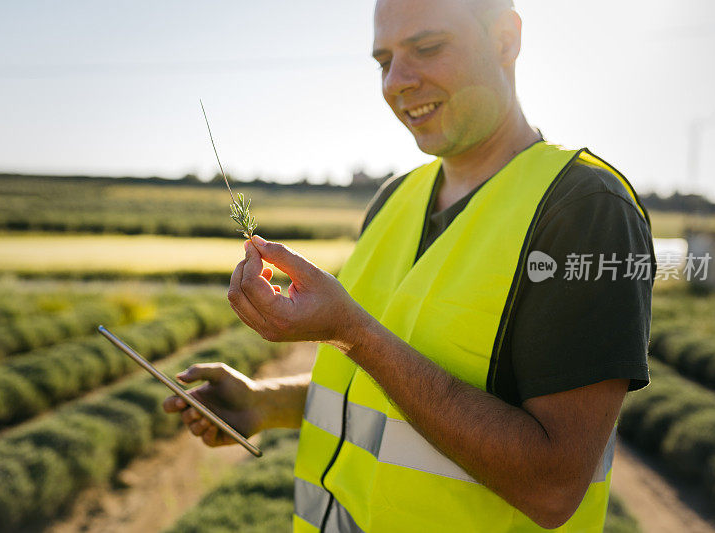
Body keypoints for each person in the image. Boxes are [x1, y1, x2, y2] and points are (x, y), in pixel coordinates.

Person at [163, 0, 656, 530]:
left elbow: (554, 485)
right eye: (383, 61)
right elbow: (389, 388)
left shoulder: (586, 208)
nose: (397, 81)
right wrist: (265, 403)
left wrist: (353, 332)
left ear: (505, 40)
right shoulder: (394, 199)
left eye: (427, 48)